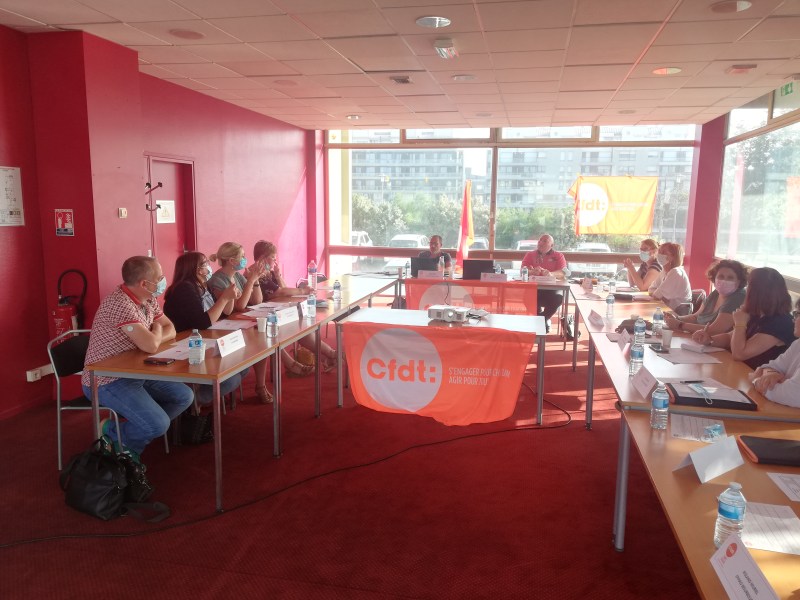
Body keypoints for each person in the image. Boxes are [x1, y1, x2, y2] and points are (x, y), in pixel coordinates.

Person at [81, 256, 194, 463]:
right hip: (106, 379)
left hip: (138, 370)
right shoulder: (120, 304)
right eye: (159, 278)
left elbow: (171, 328)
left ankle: (121, 433)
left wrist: (154, 335)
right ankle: (121, 438)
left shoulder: (148, 298)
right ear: (144, 283)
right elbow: (150, 345)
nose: (163, 281)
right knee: (158, 424)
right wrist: (156, 333)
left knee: (184, 396)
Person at [163, 252, 249, 405]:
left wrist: (229, 297)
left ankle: (200, 398)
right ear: (196, 269)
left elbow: (225, 312)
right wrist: (224, 297)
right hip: (187, 344)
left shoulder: (203, 285)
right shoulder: (185, 288)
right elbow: (203, 322)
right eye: (205, 264)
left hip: (205, 337)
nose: (209, 267)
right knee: (231, 379)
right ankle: (193, 402)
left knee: (242, 366)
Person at [254, 240, 338, 372]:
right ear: (263, 258)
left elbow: (283, 289)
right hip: (260, 318)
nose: (275, 261)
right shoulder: (257, 274)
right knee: (287, 331)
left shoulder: (268, 273)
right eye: (273, 258)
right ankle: (328, 355)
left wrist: (278, 276)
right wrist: (303, 291)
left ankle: (329, 355)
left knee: (301, 328)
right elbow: (280, 292)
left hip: (275, 312)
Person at [693, 267, 795, 369]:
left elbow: (739, 354)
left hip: (756, 374)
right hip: (739, 369)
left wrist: (740, 324)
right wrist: (710, 340)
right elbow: (729, 338)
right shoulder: (757, 313)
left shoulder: (781, 322)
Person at [663, 259, 748, 337]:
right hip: (697, 338)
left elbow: (715, 330)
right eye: (721, 276)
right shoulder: (716, 293)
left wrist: (680, 325)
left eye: (730, 278)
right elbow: (696, 317)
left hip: (715, 344)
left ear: (739, 281)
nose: (724, 281)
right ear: (714, 279)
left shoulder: (738, 298)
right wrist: (675, 318)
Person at [750, 299, 800, 408]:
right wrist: (770, 374)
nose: (794, 320)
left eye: (797, 314)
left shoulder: (778, 323)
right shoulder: (798, 344)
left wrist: (758, 381)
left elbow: (793, 395)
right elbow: (769, 366)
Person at [520, 234, 569, 333]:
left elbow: (563, 273)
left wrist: (551, 274)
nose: (541, 242)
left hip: (552, 290)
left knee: (559, 298)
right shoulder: (530, 254)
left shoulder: (558, 256)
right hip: (534, 289)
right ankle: (542, 320)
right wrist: (532, 272)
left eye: (545, 241)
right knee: (527, 298)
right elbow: (523, 271)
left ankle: (541, 320)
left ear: (552, 245)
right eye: (540, 240)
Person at [647, 242, 691, 311]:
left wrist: (660, 295)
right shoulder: (664, 271)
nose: (659, 254)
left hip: (677, 313)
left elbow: (656, 295)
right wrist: (661, 296)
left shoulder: (676, 272)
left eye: (664, 253)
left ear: (673, 257)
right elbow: (651, 289)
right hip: (666, 309)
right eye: (659, 252)